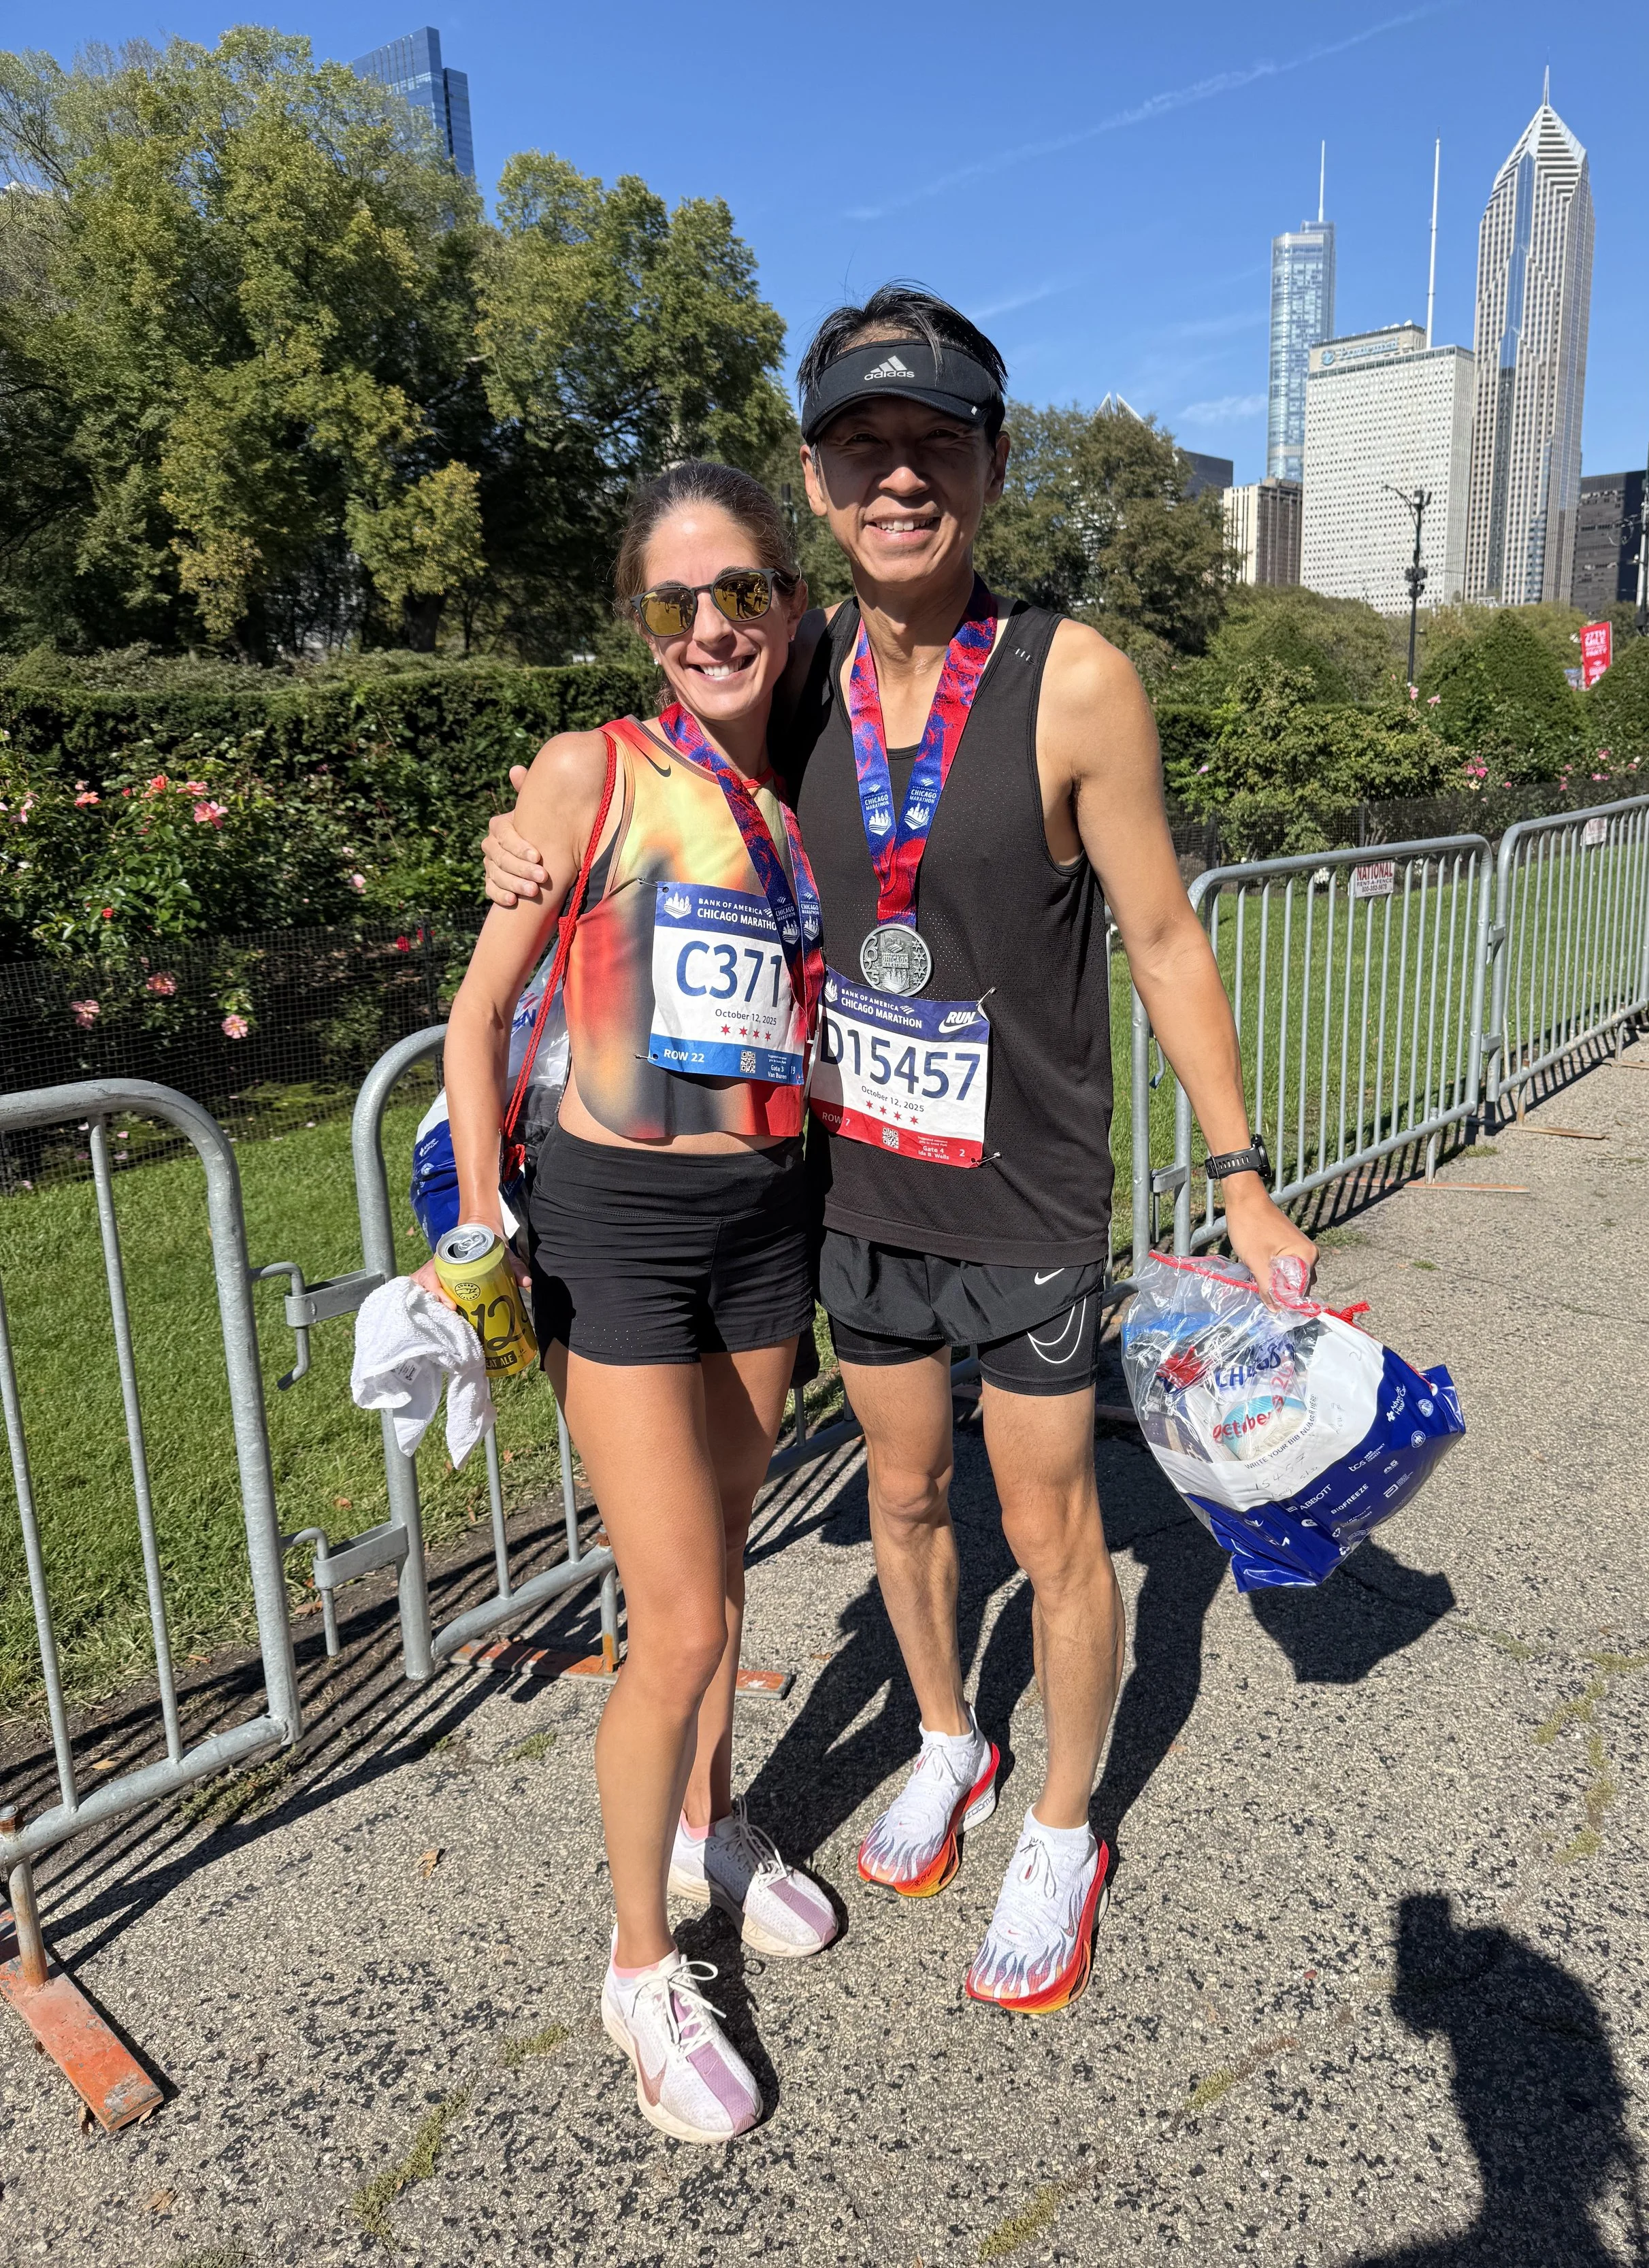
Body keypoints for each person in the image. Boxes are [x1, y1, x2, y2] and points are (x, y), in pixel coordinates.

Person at [483, 285, 1317, 2018]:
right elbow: (638, 750)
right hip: (847, 1201)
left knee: (1052, 1517)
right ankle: (946, 1732)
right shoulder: (789, 679)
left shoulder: (1075, 678)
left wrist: (1237, 1174)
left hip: (1019, 1196)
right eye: (865, 447)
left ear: (993, 469)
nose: (901, 476)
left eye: (937, 443)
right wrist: (524, 829)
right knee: (907, 1499)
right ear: (816, 479)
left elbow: (1162, 939)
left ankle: (1065, 1822)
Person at [428, 461, 837, 2145]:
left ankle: (708, 1823)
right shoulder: (588, 775)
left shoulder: (810, 793)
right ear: (641, 625)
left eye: (739, 591)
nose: (709, 628)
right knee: (668, 1621)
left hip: (765, 1221)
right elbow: (473, 1025)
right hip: (614, 1230)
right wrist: (474, 1216)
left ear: (786, 601)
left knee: (722, 1582)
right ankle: (634, 1964)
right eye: (672, 604)